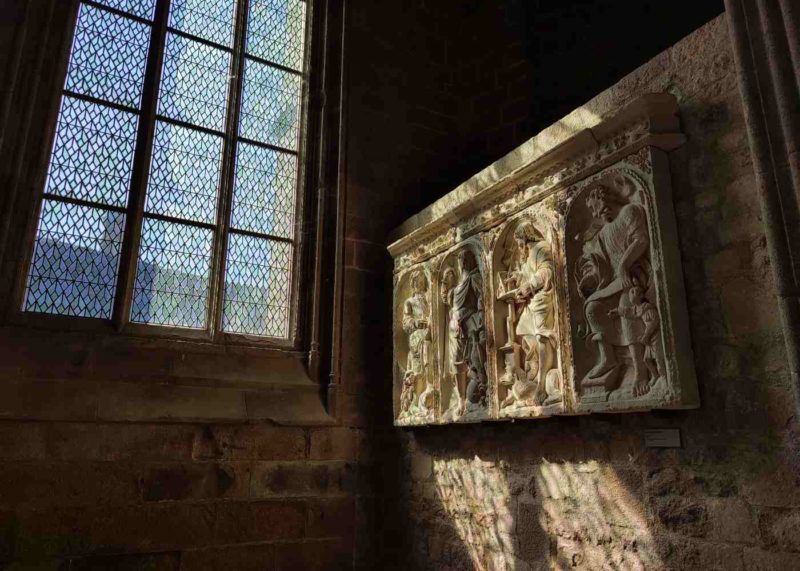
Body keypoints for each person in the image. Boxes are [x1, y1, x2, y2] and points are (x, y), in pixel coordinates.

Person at [576, 184, 651, 395]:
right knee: (592, 307)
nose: (595, 212)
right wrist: (590, 279)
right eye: (591, 210)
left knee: (625, 306)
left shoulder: (630, 211)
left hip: (635, 274)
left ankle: (640, 370)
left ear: (605, 197)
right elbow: (603, 267)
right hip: (616, 280)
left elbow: (641, 240)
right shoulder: (603, 233)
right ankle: (608, 357)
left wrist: (624, 264)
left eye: (595, 206)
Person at [510, 221, 556, 404]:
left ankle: (543, 384)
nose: (519, 246)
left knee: (542, 337)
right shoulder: (529, 254)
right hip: (531, 302)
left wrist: (529, 285)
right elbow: (529, 274)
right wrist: (519, 279)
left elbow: (547, 271)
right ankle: (535, 370)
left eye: (519, 241)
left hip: (541, 299)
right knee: (523, 332)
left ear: (525, 237)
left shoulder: (540, 248)